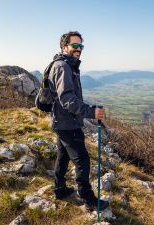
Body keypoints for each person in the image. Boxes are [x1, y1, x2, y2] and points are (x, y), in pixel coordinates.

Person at [47, 31, 109, 211]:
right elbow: (67, 99)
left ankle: (60, 189)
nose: (79, 49)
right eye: (75, 45)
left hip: (62, 122)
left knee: (63, 155)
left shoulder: (67, 65)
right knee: (82, 159)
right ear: (64, 47)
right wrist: (91, 111)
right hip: (68, 123)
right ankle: (88, 199)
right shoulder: (63, 67)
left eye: (81, 46)